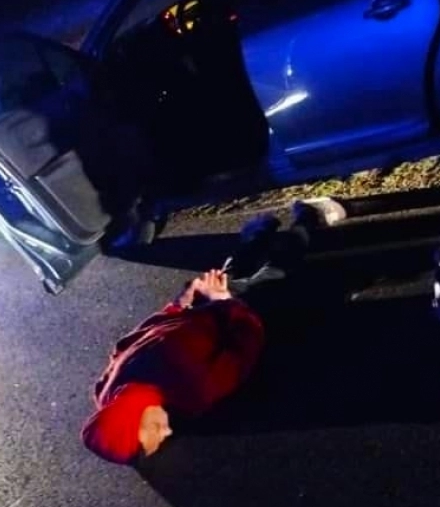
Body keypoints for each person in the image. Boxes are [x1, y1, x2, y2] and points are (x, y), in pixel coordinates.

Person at [81, 197, 347, 465]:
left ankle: (285, 224)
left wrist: (184, 304)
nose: (168, 430)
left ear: (130, 415)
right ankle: (289, 223)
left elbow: (134, 343)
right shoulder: (111, 395)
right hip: (221, 310)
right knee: (257, 271)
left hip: (221, 313)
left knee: (258, 272)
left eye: (156, 431)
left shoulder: (192, 390)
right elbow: (244, 350)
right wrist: (215, 301)